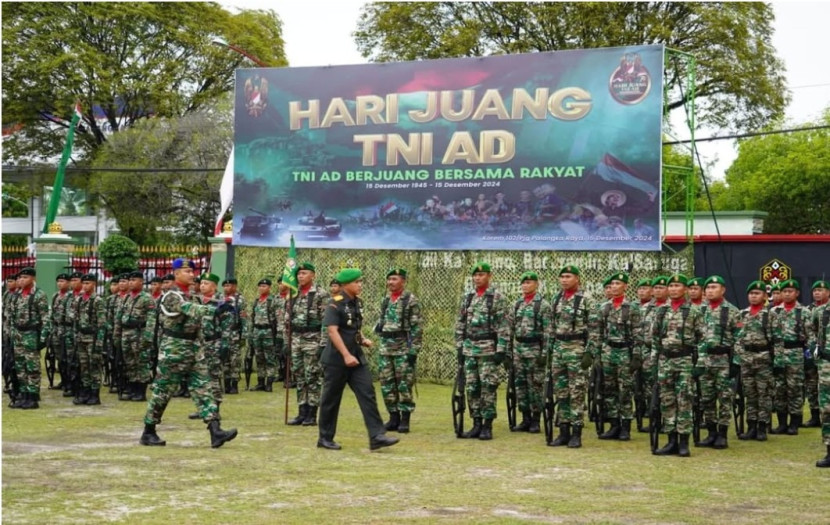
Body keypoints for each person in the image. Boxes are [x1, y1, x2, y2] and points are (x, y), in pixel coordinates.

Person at [140, 258, 238, 448]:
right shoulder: (171, 296)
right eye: (187, 272)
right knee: (162, 392)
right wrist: (215, 310)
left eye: (193, 272)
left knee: (204, 388)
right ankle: (149, 430)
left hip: (193, 348)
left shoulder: (192, 295)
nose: (192, 275)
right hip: (174, 348)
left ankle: (215, 430)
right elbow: (190, 310)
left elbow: (199, 318)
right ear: (176, 274)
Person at [317, 268, 399, 451]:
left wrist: (362, 339)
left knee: (367, 392)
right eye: (357, 282)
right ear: (346, 285)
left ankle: (376, 436)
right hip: (337, 360)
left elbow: (353, 326)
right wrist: (346, 355)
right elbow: (332, 331)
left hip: (356, 358)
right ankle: (325, 438)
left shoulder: (357, 303)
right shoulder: (334, 303)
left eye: (360, 282)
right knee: (331, 399)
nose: (360, 285)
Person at [454, 262, 510, 441]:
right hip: (470, 348)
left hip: (488, 349)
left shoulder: (497, 297)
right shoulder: (468, 297)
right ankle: (476, 422)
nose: (477, 278)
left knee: (488, 387)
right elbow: (460, 324)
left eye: (481, 275)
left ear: (489, 276)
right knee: (472, 387)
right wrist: (460, 346)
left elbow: (503, 326)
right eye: (475, 275)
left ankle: (487, 424)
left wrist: (501, 349)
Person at [652, 274, 705, 457]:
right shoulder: (661, 311)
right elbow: (655, 338)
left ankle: (684, 442)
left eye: (678, 285)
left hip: (685, 361)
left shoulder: (693, 311)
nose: (674, 289)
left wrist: (701, 363)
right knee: (667, 401)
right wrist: (653, 362)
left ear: (685, 289)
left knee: (684, 400)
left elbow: (702, 339)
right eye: (671, 285)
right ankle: (671, 440)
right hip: (665, 361)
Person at [548, 265, 595, 448]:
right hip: (559, 350)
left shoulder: (586, 300)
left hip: (577, 350)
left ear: (577, 278)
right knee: (561, 393)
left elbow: (595, 329)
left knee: (576, 392)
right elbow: (552, 327)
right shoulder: (556, 298)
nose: (564, 280)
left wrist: (590, 352)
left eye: (568, 276)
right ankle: (563, 431)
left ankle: (576, 433)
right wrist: (550, 350)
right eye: (562, 277)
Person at [594, 272, 643, 441]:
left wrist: (636, 356)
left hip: (625, 353)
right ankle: (614, 424)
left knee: (625, 390)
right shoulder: (604, 308)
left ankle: (626, 426)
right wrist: (596, 355)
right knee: (609, 390)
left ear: (625, 287)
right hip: (608, 352)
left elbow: (638, 334)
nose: (614, 286)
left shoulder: (632, 308)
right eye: (612, 283)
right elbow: (598, 333)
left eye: (618, 283)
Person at [696, 275, 740, 449]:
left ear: (723, 290)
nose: (710, 291)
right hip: (703, 360)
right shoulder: (699, 310)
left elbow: (739, 339)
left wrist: (736, 362)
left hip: (723, 360)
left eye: (714, 287)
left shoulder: (732, 311)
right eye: (708, 288)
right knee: (706, 398)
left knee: (724, 398)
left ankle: (722, 434)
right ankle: (711, 432)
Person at [377, 268, 422, 433]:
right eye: (389, 279)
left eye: (394, 279)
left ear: (403, 281)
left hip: (403, 348)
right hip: (386, 347)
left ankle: (405, 419)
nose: (390, 282)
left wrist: (414, 349)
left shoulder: (410, 300)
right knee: (387, 384)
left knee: (404, 384)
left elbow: (417, 327)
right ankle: (393, 417)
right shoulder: (386, 300)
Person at [286, 262, 329, 426]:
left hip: (313, 339)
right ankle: (301, 411)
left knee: (312, 376)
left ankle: (312, 413)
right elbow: (287, 320)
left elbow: (326, 321)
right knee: (299, 375)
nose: (300, 276)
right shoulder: (294, 294)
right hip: (296, 339)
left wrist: (323, 344)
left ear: (313, 275)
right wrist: (286, 342)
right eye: (299, 273)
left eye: (304, 273)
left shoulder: (320, 294)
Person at [508, 271, 551, 434]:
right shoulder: (517, 304)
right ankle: (525, 418)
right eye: (523, 283)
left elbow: (548, 331)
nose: (526, 285)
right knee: (520, 386)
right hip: (519, 350)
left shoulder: (543, 305)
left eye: (529, 282)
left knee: (536, 386)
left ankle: (535, 419)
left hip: (535, 350)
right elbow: (509, 329)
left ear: (536, 284)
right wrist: (508, 352)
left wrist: (544, 354)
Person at [735, 280, 775, 441]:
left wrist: (776, 360)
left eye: (757, 293)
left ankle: (762, 427)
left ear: (765, 296)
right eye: (751, 293)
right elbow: (737, 338)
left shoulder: (770, 315)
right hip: (746, 359)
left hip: (763, 358)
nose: (753, 296)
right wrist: (739, 357)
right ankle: (751, 425)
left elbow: (777, 339)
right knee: (749, 394)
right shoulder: (742, 314)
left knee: (763, 394)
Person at [769, 279, 810, 434]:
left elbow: (810, 336)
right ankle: (781, 423)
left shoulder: (804, 312)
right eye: (784, 291)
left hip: (796, 354)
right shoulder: (774, 312)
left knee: (794, 389)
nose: (786, 294)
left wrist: (809, 355)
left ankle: (794, 423)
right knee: (779, 389)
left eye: (790, 291)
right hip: (778, 354)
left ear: (797, 293)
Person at [7, 267, 49, 409]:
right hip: (18, 334)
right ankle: (24, 394)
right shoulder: (17, 295)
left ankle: (33, 396)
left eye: (25, 277)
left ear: (33, 279)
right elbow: (12, 317)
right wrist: (12, 333)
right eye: (21, 278)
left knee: (32, 367)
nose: (22, 280)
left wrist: (43, 338)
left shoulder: (39, 295)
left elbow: (45, 318)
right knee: (20, 366)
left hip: (31, 334)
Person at [188, 273, 224, 419]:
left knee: (213, 377)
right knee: (200, 378)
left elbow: (228, 325)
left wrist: (225, 344)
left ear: (214, 286)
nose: (202, 286)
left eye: (206, 283)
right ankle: (203, 408)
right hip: (199, 344)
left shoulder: (220, 302)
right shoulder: (196, 301)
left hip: (213, 343)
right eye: (201, 283)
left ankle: (215, 409)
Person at [115, 271, 153, 402]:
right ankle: (132, 388)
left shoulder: (146, 298)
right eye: (130, 280)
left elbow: (151, 320)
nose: (131, 283)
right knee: (129, 362)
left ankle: (140, 391)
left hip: (140, 334)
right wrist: (117, 335)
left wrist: (148, 338)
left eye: (134, 280)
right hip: (126, 334)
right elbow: (118, 318)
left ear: (141, 282)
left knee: (141, 363)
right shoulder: (126, 297)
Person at [71, 273, 106, 405]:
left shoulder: (98, 300)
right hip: (81, 337)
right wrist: (75, 336)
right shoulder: (79, 299)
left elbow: (102, 324)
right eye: (84, 283)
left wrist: (99, 343)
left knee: (94, 366)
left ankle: (94, 394)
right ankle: (85, 392)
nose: (85, 286)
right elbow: (75, 319)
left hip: (93, 338)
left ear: (94, 284)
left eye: (88, 283)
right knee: (84, 366)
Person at [808, 291, 830, 467]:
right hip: (826, 366)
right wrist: (814, 347)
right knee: (827, 409)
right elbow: (812, 330)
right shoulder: (821, 311)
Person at [804, 280, 829, 427]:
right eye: (815, 291)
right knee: (813, 385)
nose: (817, 293)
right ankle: (815, 416)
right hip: (816, 354)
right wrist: (813, 346)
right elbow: (810, 330)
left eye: (820, 290)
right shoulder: (812, 310)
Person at [248, 277, 280, 392]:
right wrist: (251, 334)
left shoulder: (273, 300)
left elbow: (278, 318)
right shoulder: (257, 301)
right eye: (260, 286)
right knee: (259, 358)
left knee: (270, 358)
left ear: (269, 288)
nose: (261, 288)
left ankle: (269, 383)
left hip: (268, 332)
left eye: (264, 286)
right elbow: (252, 318)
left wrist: (278, 335)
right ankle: (260, 382)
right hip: (257, 331)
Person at [219, 277, 247, 394]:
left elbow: (244, 318)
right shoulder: (220, 298)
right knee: (224, 360)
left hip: (234, 334)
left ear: (235, 286)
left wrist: (244, 335)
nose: (226, 288)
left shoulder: (240, 300)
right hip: (222, 334)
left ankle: (234, 385)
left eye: (229, 286)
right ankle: (226, 384)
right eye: (225, 286)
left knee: (235, 360)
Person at [48, 273, 74, 395]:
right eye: (58, 281)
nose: (60, 284)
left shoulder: (72, 296)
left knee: (69, 358)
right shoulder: (55, 296)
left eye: (63, 281)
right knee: (59, 358)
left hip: (67, 330)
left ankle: (70, 382)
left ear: (69, 283)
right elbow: (52, 314)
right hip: (57, 331)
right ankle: (63, 381)